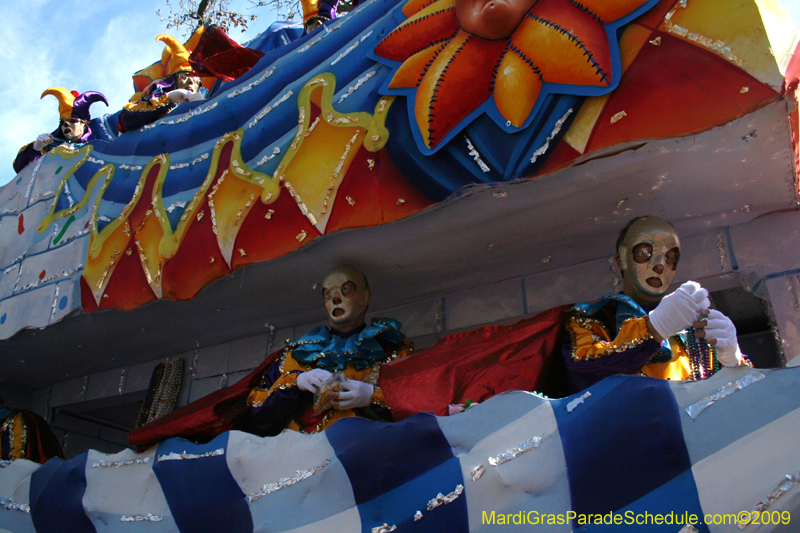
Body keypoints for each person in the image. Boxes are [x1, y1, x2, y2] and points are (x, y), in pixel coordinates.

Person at [563, 216, 745, 393]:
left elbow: (731, 404)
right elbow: (583, 378)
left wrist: (733, 362)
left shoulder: (694, 330)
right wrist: (653, 329)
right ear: (622, 260)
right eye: (644, 252)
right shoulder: (590, 319)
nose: (660, 265)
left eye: (670, 257)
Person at [246, 265, 414, 435]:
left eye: (346, 289)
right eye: (327, 293)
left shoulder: (391, 350)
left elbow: (418, 403)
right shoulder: (297, 353)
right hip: (301, 457)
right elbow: (256, 416)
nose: (335, 299)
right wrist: (296, 382)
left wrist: (372, 396)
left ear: (365, 295)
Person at [117, 34, 205, 132]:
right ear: (173, 80)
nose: (191, 83)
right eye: (184, 76)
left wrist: (202, 103)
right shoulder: (156, 98)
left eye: (196, 80)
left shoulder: (207, 98)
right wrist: (168, 99)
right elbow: (127, 118)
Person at [13, 88, 108, 174]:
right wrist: (35, 148)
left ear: (83, 125)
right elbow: (20, 169)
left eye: (72, 121)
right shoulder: (50, 147)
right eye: (63, 122)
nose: (66, 125)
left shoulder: (97, 147)